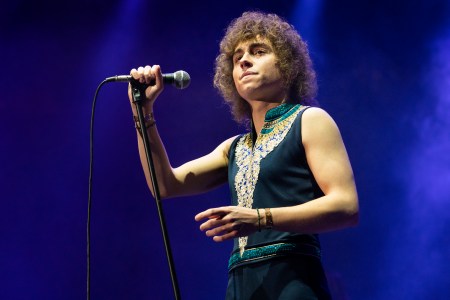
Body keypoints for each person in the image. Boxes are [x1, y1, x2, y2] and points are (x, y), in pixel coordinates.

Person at [127, 11, 359, 300]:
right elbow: (165, 185)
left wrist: (260, 218)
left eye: (258, 51)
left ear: (287, 66)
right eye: (237, 58)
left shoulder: (310, 120)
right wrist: (143, 112)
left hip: (292, 282)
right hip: (240, 286)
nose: (244, 60)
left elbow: (346, 206)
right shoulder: (234, 147)